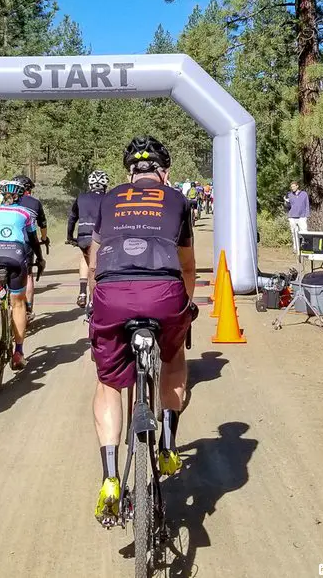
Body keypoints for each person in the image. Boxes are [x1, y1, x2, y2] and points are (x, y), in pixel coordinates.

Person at [89, 136, 196, 525]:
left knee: (108, 384)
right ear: (164, 173)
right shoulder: (179, 201)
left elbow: (94, 260)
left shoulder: (108, 199)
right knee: (174, 356)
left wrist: (93, 297)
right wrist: (185, 306)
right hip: (163, 292)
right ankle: (167, 444)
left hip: (112, 292)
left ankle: (110, 478)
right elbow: (187, 267)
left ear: (128, 174)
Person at [0, 178, 44, 371]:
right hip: (15, 254)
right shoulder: (25, 213)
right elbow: (33, 240)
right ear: (20, 196)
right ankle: (18, 351)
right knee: (18, 303)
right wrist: (40, 259)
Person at [66, 170, 109, 308]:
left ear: (90, 184)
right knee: (95, 267)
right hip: (100, 237)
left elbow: (72, 218)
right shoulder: (108, 198)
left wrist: (69, 236)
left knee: (85, 260)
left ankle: (82, 292)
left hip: (83, 236)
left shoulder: (81, 197)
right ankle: (94, 300)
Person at [13, 174, 48, 323]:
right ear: (27, 190)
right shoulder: (35, 203)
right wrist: (44, 239)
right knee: (28, 275)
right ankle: (27, 309)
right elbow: (43, 224)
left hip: (2, 242)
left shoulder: (6, 200)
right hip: (26, 244)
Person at [284, 180, 310, 254]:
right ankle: (296, 248)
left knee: (304, 232)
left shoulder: (304, 194)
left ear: (297, 186)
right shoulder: (289, 195)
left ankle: (305, 247)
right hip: (292, 216)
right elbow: (287, 206)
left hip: (302, 216)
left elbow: (307, 204)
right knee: (294, 232)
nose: (292, 188)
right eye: (291, 187)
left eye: (294, 186)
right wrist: (286, 201)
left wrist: (306, 215)